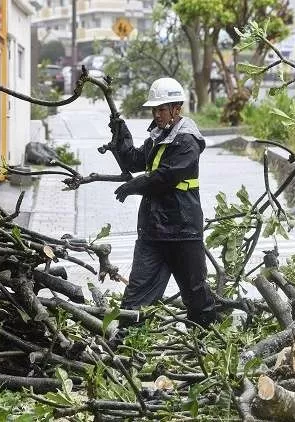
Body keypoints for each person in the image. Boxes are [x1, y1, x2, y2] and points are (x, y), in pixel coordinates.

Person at [109, 77, 218, 334]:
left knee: (196, 294)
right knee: (136, 295)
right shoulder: (159, 136)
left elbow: (167, 177)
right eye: (154, 110)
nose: (157, 114)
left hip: (183, 230)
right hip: (153, 232)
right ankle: (126, 344)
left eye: (161, 109)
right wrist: (120, 132)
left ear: (176, 108)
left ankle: (206, 341)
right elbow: (134, 160)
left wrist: (133, 186)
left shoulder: (187, 141)